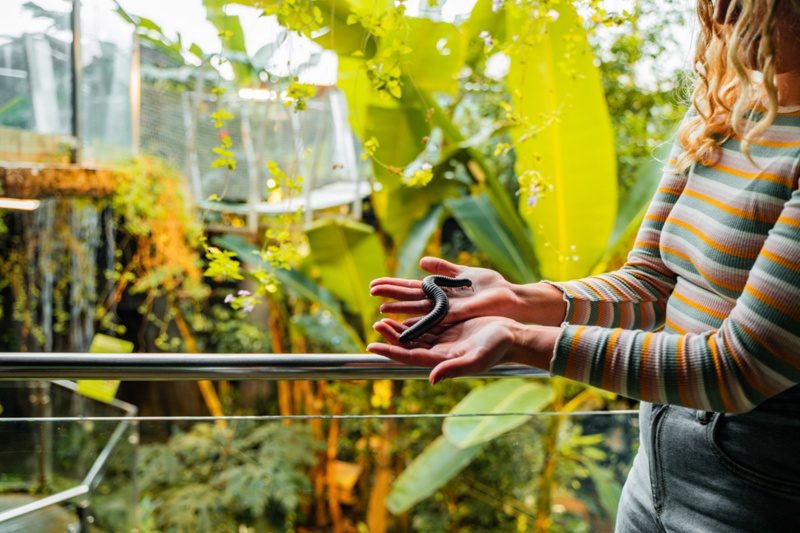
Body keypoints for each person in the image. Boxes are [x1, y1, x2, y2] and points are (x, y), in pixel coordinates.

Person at [367, 0, 800, 530]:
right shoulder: (720, 108)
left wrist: (521, 338)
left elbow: (739, 368)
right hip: (654, 480)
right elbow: (651, 283)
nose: (720, 11)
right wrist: (520, 299)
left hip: (759, 498)